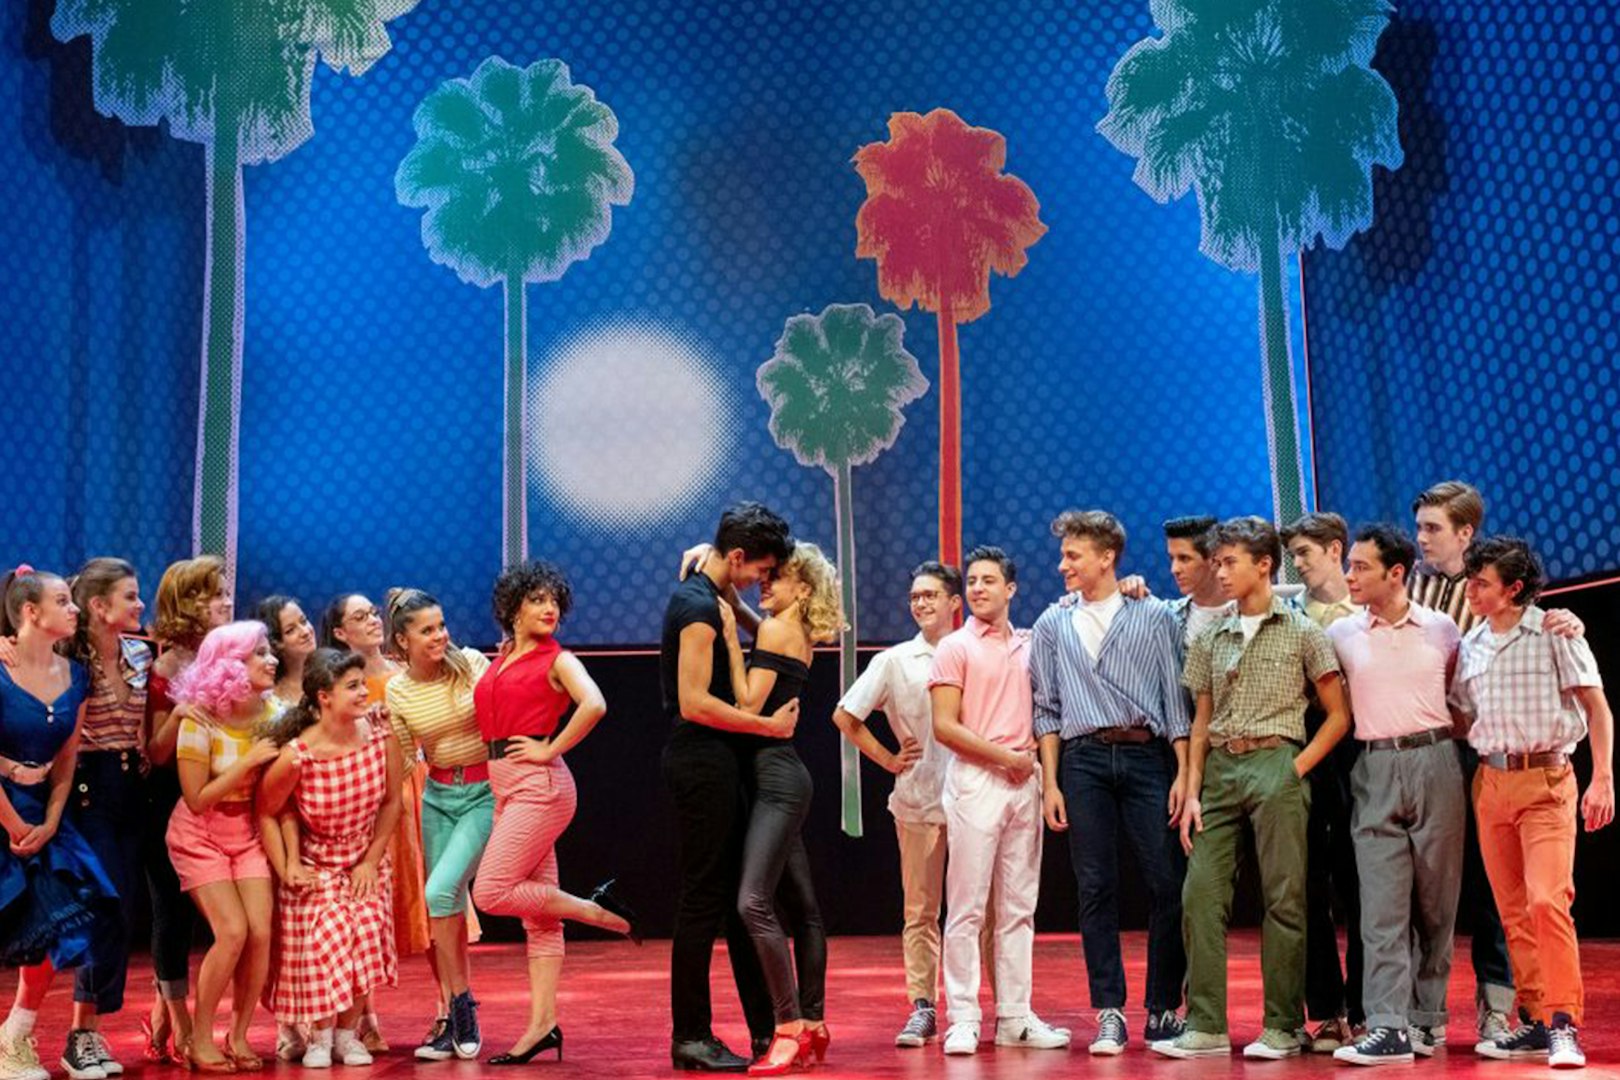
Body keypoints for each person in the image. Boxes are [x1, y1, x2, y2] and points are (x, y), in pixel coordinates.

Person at [1153, 517, 1348, 1061]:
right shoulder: (1212, 635)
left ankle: (1283, 1025)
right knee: (1200, 894)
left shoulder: (1303, 630)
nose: (1221, 570)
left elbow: (1338, 715)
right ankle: (1207, 1024)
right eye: (1216, 561)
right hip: (1219, 766)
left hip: (1277, 761)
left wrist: (1296, 768)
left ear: (1264, 565)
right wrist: (1191, 790)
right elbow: (1199, 720)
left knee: (1284, 898)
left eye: (1229, 561)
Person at [1408, 482, 1585, 1042]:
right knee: (1469, 894)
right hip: (1462, 757)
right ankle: (1469, 1015)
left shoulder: (1529, 619)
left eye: (1433, 528)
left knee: (1522, 897)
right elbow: (1457, 699)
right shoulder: (1415, 588)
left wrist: (1602, 776)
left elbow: (1591, 702)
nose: (1422, 539)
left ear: (1466, 533)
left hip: (1523, 763)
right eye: (1418, 527)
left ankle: (1526, 1011)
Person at [1452, 536, 1613, 1069]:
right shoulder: (1472, 644)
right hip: (1492, 782)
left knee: (1548, 901)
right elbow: (1462, 713)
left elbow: (1597, 707)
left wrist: (1603, 779)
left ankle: (1565, 1023)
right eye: (1470, 580)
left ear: (1514, 588)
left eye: (1482, 583)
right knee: (1514, 912)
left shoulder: (1553, 632)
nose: (1471, 590)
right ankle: (1538, 1019)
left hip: (1546, 778)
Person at [1031, 512, 1190, 1054]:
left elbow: (1176, 701)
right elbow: (1046, 709)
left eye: (1073, 555)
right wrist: (1050, 783)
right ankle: (1110, 1011)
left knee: (1168, 882)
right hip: (1083, 761)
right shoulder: (1053, 624)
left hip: (1147, 757)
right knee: (1095, 886)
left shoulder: (1152, 614)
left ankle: (1164, 1006)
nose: (1063, 565)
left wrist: (1183, 773)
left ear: (1107, 556)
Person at [471, 561, 635, 1065]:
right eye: (538, 599)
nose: (549, 609)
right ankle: (542, 1026)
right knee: (539, 922)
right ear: (513, 608)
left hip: (540, 785)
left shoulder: (557, 659)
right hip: (506, 785)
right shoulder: (498, 659)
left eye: (555, 603)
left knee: (491, 891)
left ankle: (590, 909)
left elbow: (595, 704)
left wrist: (549, 749)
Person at [835, 560, 1003, 1049]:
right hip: (920, 800)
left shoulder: (981, 652)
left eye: (931, 595)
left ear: (955, 602)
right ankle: (924, 1006)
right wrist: (889, 758)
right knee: (922, 911)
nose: (921, 603)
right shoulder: (895, 660)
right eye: (915, 596)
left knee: (986, 912)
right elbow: (846, 715)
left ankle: (1000, 1007)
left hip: (978, 799)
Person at [661, 503, 799, 1072]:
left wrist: (732, 596)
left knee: (742, 901)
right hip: (702, 760)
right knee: (704, 900)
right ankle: (690, 1034)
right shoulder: (696, 607)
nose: (761, 581)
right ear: (737, 557)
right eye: (757, 570)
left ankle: (767, 1029)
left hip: (722, 759)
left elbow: (736, 609)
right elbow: (694, 703)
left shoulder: (712, 594)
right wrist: (766, 726)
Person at [1328, 524, 1465, 1065]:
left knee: (1436, 904)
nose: (1350, 575)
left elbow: (1459, 687)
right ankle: (1386, 1025)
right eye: (1350, 565)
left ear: (1396, 574)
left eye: (1361, 567)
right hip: (1374, 766)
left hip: (1435, 761)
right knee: (1381, 907)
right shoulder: (1342, 633)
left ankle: (1426, 1019)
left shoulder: (1442, 628)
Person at [931, 545, 1068, 1057]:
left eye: (989, 580)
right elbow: (945, 726)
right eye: (972, 581)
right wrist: (1003, 759)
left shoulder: (1032, 643)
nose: (978, 588)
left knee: (1018, 908)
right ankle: (963, 1016)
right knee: (966, 907)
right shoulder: (955, 647)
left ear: (1011, 589)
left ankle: (1014, 1016)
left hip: (1023, 784)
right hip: (976, 781)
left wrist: (1028, 770)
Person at [717, 543, 839, 1075]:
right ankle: (813, 1023)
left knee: (752, 904)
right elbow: (762, 633)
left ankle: (787, 1027)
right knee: (805, 911)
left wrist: (724, 633)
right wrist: (736, 609)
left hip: (776, 781)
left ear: (803, 589)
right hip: (786, 776)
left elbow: (745, 703)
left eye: (777, 578)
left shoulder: (775, 631)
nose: (764, 584)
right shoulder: (797, 632)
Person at [0, 567, 118, 1080]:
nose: (74, 609)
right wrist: (12, 825)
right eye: (63, 600)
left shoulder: (78, 675)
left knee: (65, 917)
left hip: (45, 814)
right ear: (31, 612)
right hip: (4, 812)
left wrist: (49, 820)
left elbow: (68, 760)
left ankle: (14, 1037)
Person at [259, 648, 403, 1068]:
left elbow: (392, 802)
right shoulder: (298, 755)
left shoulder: (379, 737)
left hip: (362, 858)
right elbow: (267, 810)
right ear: (324, 697)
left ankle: (346, 1034)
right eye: (353, 686)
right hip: (316, 863)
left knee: (365, 933)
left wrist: (370, 861)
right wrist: (287, 865)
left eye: (363, 684)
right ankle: (319, 1036)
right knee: (330, 937)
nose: (364, 692)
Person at [164, 620, 282, 1071]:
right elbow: (196, 798)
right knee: (231, 931)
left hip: (247, 830)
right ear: (231, 665)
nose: (270, 659)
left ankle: (239, 1034)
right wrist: (249, 761)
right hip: (199, 832)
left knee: (260, 932)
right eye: (259, 653)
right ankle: (198, 1035)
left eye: (269, 650)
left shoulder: (274, 714)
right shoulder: (201, 716)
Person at [382, 590, 492, 1061]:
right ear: (402, 640)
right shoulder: (397, 689)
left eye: (441, 625)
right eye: (427, 630)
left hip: (485, 793)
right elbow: (405, 759)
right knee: (442, 910)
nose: (440, 635)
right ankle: (452, 1013)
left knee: (438, 893)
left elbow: (503, 722)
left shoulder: (471, 663)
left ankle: (461, 1005)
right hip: (438, 796)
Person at [55, 559, 153, 1077]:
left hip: (131, 787)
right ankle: (81, 1033)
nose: (141, 606)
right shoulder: (70, 660)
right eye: (131, 596)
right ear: (99, 606)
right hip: (88, 788)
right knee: (105, 906)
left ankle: (91, 1033)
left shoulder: (141, 653)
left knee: (127, 905)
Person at [141, 556, 231, 1065]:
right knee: (170, 915)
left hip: (226, 795)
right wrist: (180, 710)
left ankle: (171, 1009)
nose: (222, 601)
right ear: (187, 604)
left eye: (222, 592)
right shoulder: (165, 667)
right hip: (170, 798)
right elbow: (154, 751)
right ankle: (178, 1021)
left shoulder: (235, 656)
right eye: (211, 594)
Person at [1281, 512, 1364, 1053]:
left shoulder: (1367, 611)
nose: (1300, 563)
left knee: (1363, 890)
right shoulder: (1291, 617)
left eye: (1307, 552)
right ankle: (1326, 1012)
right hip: (1311, 752)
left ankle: (1365, 1009)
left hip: (1365, 757)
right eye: (1295, 554)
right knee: (1308, 887)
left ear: (1336, 550)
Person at [322, 592, 418, 1054]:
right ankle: (364, 1017)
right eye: (360, 617)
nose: (372, 621)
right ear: (341, 633)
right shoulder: (344, 683)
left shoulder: (403, 674)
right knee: (364, 905)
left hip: (409, 790)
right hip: (361, 797)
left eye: (373, 613)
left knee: (415, 900)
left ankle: (448, 1011)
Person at [256, 597, 317, 714]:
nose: (305, 631)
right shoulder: (268, 693)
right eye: (290, 630)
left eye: (304, 621)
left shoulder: (335, 675)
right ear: (276, 643)